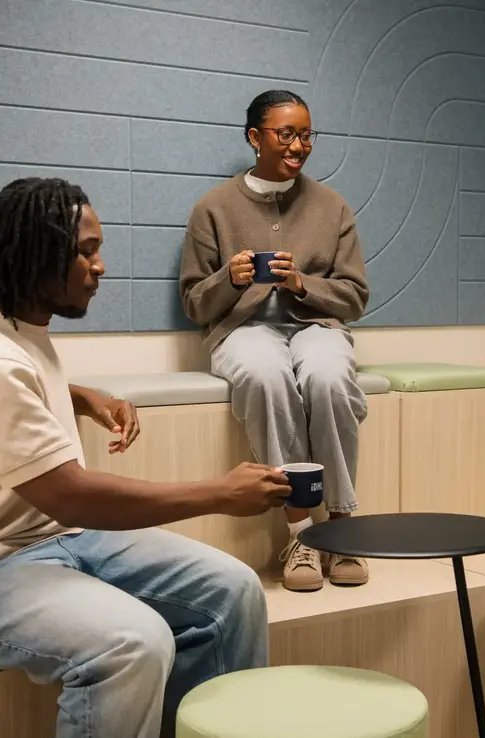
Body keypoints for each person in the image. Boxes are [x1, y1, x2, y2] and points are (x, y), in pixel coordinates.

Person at [0, 177, 293, 738]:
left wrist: (82, 396)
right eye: (86, 252)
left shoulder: (13, 329)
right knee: (133, 644)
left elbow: (20, 394)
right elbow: (71, 494)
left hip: (56, 538)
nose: (100, 266)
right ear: (37, 252)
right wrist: (219, 494)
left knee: (233, 591)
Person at [179, 90, 371, 592]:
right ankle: (301, 531)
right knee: (265, 375)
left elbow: (354, 299)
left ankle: (342, 523)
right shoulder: (213, 209)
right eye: (286, 134)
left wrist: (301, 284)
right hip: (242, 330)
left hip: (317, 326)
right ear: (254, 137)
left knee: (328, 376)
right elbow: (196, 304)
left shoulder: (332, 207)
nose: (299, 145)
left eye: (306, 135)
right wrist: (232, 278)